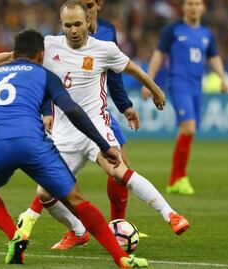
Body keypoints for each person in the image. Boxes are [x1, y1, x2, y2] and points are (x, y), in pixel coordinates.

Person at [0, 0, 189, 250]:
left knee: (118, 171)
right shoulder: (49, 45)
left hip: (95, 127)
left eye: (77, 24)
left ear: (88, 21)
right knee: (44, 195)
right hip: (64, 135)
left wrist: (155, 89)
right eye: (67, 25)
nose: (73, 30)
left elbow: (133, 70)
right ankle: (77, 231)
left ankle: (171, 215)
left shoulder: (104, 49)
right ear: (61, 25)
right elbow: (10, 57)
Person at [0, 28, 148, 268]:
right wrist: (103, 145)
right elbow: (71, 110)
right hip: (33, 145)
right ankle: (120, 257)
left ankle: (14, 235)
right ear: (41, 55)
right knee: (77, 200)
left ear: (14, 53)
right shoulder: (44, 74)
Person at [16, 0, 142, 249]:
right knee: (55, 176)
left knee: (120, 165)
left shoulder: (107, 32)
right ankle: (43, 219)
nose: (86, 8)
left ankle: (118, 225)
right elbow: (48, 72)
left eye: (89, 4)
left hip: (99, 109)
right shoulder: (60, 37)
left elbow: (114, 74)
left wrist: (125, 105)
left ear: (97, 5)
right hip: (69, 113)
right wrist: (46, 109)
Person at [142, 0, 228, 195]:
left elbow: (213, 57)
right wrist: (149, 82)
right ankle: (177, 178)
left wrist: (222, 78)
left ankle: (178, 178)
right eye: (189, 3)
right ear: (183, 8)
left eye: (197, 3)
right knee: (188, 127)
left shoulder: (206, 34)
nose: (193, 7)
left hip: (197, 87)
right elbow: (158, 54)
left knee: (188, 131)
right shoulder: (173, 30)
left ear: (202, 8)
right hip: (179, 84)